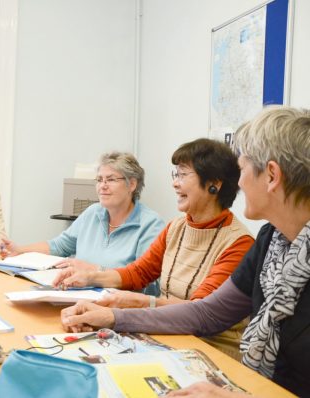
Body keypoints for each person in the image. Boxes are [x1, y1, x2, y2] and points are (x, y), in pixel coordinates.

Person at [60, 106, 310, 397]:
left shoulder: (243, 241)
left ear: (271, 175)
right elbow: (206, 312)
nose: (239, 183)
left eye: (242, 170)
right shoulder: (271, 241)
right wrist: (114, 317)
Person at [55, 138, 254, 358]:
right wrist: (90, 277)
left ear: (214, 184)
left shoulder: (238, 243)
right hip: (169, 338)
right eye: (175, 174)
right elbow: (138, 273)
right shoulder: (176, 227)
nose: (175, 183)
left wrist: (138, 302)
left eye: (183, 174)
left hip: (212, 349)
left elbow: (199, 313)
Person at [0, 152, 164, 293]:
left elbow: (148, 285)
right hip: (79, 296)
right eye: (99, 180)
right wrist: (20, 250)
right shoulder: (93, 212)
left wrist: (94, 271)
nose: (102, 186)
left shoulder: (150, 224)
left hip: (118, 308)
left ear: (132, 184)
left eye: (111, 179)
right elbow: (60, 245)